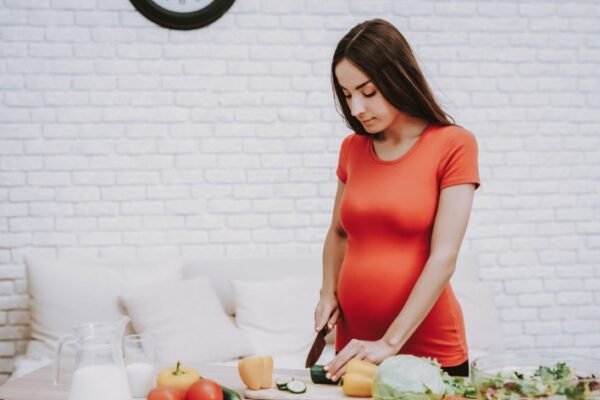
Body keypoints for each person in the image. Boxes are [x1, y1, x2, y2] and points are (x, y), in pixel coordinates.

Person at [314, 18, 480, 379]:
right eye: (346, 94)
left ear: (398, 78)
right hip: (354, 346)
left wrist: (389, 343)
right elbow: (338, 233)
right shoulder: (352, 149)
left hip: (429, 347)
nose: (356, 108)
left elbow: (444, 256)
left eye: (368, 91)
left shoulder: (453, 144)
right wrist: (327, 292)